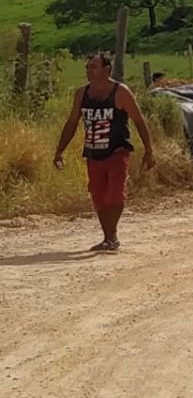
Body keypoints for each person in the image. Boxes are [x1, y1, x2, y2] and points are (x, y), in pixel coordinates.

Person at [53, 53, 156, 252]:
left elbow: (139, 121)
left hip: (117, 151)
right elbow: (72, 122)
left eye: (93, 66)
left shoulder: (120, 92)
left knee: (115, 195)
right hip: (93, 152)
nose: (88, 70)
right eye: (87, 67)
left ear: (106, 69)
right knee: (98, 195)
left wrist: (149, 151)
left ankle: (112, 234)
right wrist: (59, 151)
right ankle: (108, 237)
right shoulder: (82, 94)